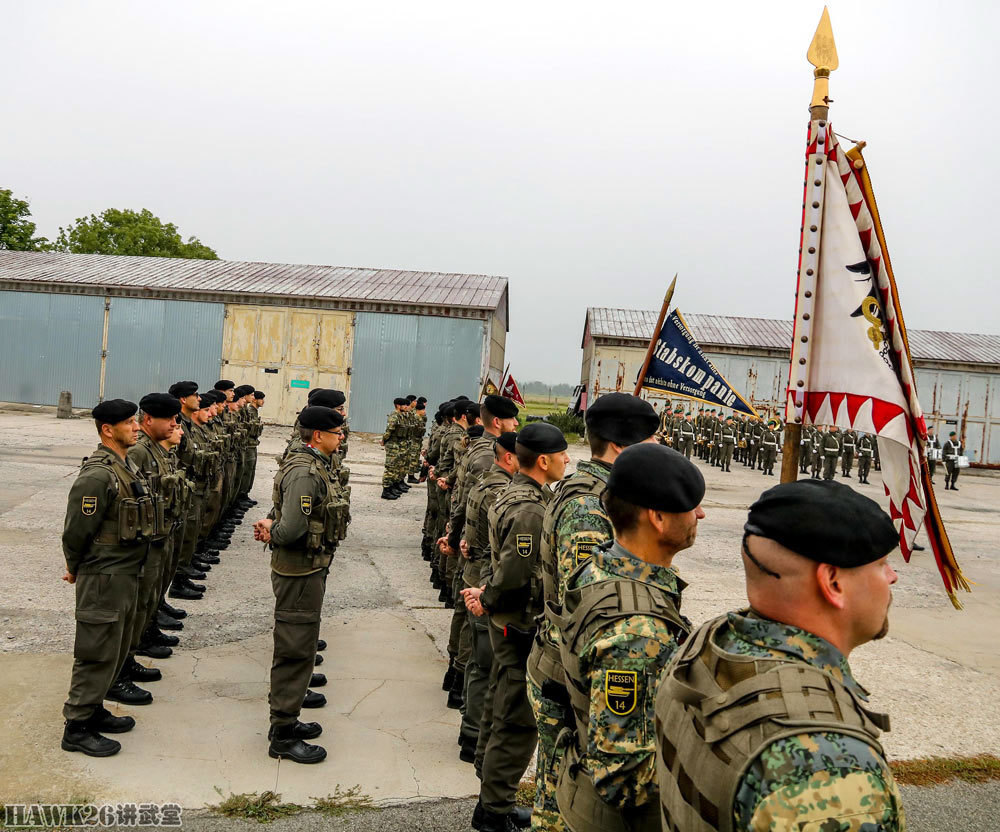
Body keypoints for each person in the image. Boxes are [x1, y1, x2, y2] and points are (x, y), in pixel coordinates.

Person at [655, 479, 905, 832]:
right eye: (881, 564)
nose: (893, 577)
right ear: (833, 582)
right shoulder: (829, 768)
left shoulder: (706, 645)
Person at [554, 443, 705, 832]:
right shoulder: (638, 630)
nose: (700, 514)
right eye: (692, 505)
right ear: (657, 517)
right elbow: (625, 778)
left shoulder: (600, 568)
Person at [528, 392, 659, 832]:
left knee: (559, 787)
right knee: (566, 798)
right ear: (622, 447)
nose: (660, 450)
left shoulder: (600, 490)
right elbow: (586, 602)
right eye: (653, 442)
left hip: (563, 665)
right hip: (568, 673)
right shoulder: (590, 504)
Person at [463, 422, 569, 832]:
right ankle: (494, 812)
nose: (566, 460)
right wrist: (488, 597)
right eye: (561, 454)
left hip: (507, 619)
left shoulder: (517, 493)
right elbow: (515, 574)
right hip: (519, 622)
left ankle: (493, 800)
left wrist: (486, 595)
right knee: (516, 718)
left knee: (500, 704)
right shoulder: (530, 509)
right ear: (543, 461)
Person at [253, 406, 349, 764]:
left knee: (302, 644)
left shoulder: (315, 466)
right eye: (336, 433)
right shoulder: (306, 474)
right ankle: (282, 732)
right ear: (318, 436)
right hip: (299, 571)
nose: (341, 438)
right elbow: (292, 528)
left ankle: (288, 719)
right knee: (294, 650)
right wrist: (272, 531)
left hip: (307, 568)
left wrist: (272, 526)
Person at [61, 399, 156, 757]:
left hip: (125, 572)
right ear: (107, 429)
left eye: (135, 421)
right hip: (103, 574)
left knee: (115, 646)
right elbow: (76, 531)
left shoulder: (125, 465)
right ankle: (77, 726)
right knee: (96, 650)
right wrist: (75, 566)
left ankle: (94, 707)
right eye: (129, 423)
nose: (136, 427)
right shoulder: (99, 474)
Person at [445, 396, 520, 735]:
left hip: (472, 553)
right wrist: (462, 536)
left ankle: (457, 679)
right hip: (481, 563)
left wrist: (458, 533)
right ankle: (460, 686)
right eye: (512, 420)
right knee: (478, 646)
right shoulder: (487, 460)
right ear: (497, 423)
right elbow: (484, 516)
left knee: (466, 623)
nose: (516, 425)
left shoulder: (483, 454)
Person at [462, 432, 520, 772]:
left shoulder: (485, 482)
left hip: (476, 577)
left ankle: (469, 733)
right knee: (485, 665)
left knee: (477, 661)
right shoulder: (503, 491)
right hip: (485, 583)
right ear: (510, 458)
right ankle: (472, 735)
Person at [381, 398, 409, 499]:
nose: (406, 407)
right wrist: (384, 440)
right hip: (392, 444)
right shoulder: (394, 415)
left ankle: (392, 486)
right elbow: (389, 430)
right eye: (404, 405)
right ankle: (386, 490)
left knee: (397, 467)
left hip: (398, 443)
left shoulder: (401, 416)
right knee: (391, 467)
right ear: (398, 405)